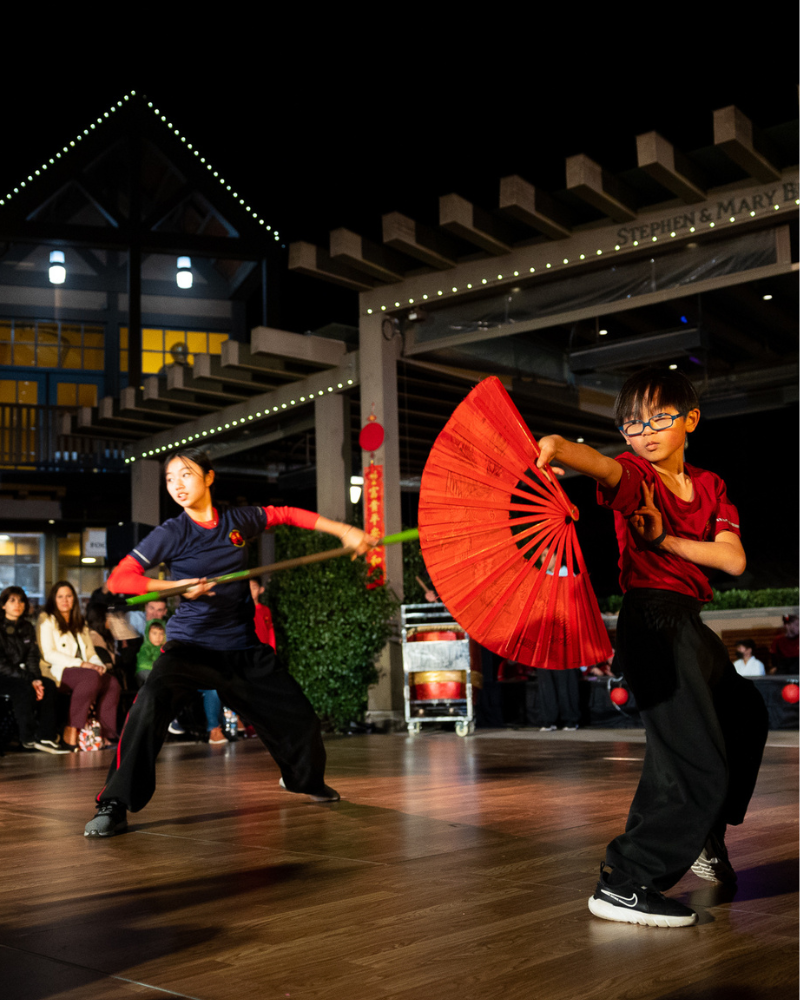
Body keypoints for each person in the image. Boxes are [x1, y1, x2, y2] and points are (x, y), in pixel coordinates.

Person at [536, 367, 768, 928]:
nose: (645, 430)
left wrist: (665, 538)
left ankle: (703, 836)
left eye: (660, 417)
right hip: (652, 622)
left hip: (688, 625)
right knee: (692, 759)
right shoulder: (636, 477)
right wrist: (561, 448)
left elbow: (732, 559)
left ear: (690, 420)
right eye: (632, 422)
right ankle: (628, 880)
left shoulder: (710, 486)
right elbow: (603, 465)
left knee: (745, 716)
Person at [84, 447, 375, 837]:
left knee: (300, 718)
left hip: (241, 647)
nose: (176, 485)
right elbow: (121, 579)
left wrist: (344, 530)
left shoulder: (240, 521)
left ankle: (301, 780)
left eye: (185, 475)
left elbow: (286, 514)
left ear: (208, 477)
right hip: (190, 648)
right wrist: (175, 586)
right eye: (169, 479)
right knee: (148, 707)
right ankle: (114, 804)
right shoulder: (172, 532)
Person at [38, 581, 122, 752]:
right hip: (58, 670)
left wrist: (97, 666)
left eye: (69, 596)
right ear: (54, 599)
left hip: (84, 671)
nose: (65, 600)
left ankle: (104, 735)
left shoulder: (80, 622)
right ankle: (72, 729)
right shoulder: (46, 619)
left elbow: (91, 653)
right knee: (89, 677)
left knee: (112, 682)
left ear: (74, 599)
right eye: (60, 596)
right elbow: (48, 654)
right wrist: (82, 664)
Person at [0, 585, 68, 753]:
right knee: (23, 688)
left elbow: (32, 657)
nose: (18, 604)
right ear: (3, 605)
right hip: (4, 675)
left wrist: (36, 679)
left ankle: (46, 737)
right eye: (12, 601)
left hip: (22, 674)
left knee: (49, 685)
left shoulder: (27, 628)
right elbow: (2, 665)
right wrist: (29, 679)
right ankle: (27, 738)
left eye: (21, 600)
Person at [135, 619, 166, 687]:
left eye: (161, 634)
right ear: (148, 634)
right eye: (154, 633)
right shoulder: (145, 647)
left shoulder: (164, 648)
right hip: (145, 671)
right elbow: (143, 663)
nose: (158, 637)